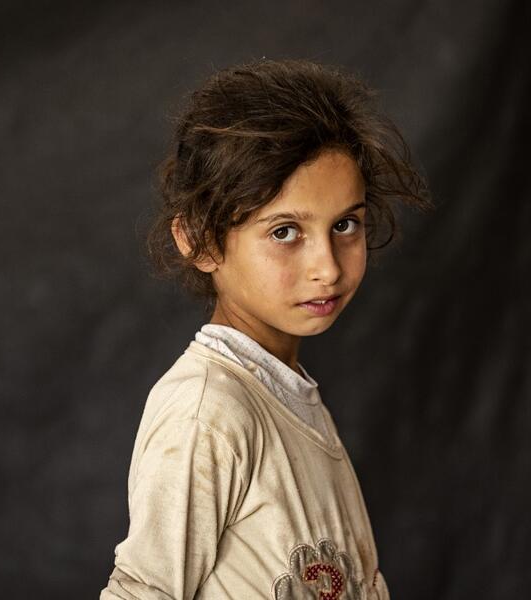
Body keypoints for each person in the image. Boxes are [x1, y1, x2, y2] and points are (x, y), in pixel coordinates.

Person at [99, 59, 431, 600]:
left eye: (345, 224)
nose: (327, 265)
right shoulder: (208, 411)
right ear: (201, 241)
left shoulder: (292, 398)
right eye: (285, 231)